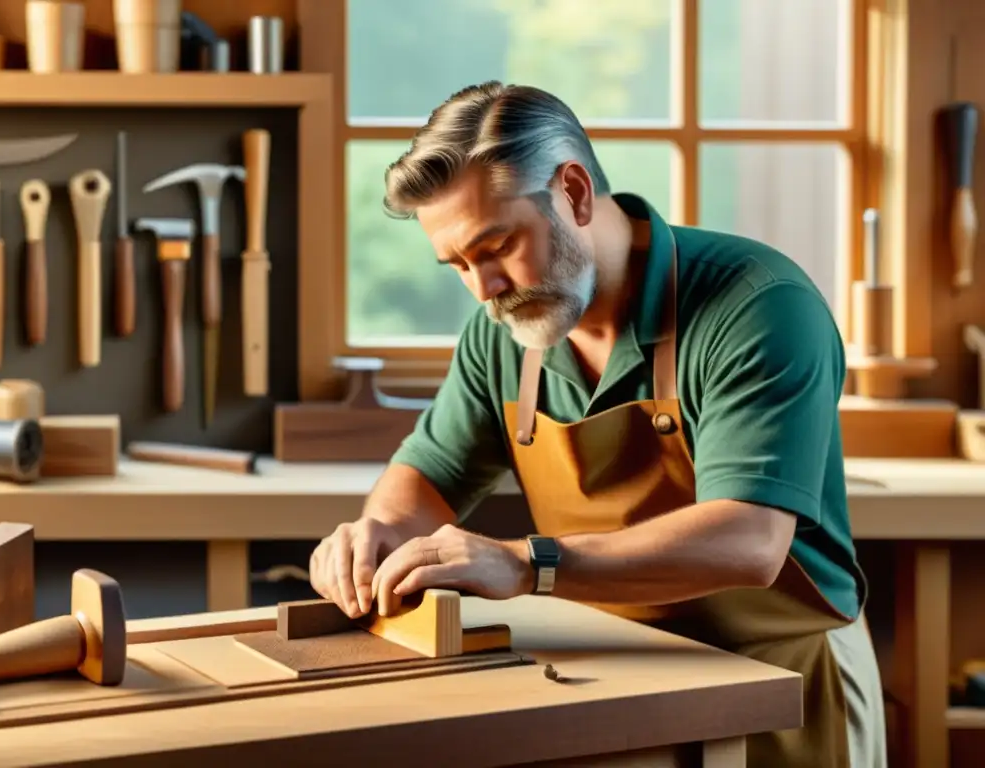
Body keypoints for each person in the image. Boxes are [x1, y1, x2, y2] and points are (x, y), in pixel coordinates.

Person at [309, 80, 887, 768]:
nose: (484, 288)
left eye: (497, 245)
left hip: (785, 691)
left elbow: (749, 542)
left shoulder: (756, 305)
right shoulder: (507, 331)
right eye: (459, 264)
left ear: (575, 193)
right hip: (610, 682)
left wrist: (527, 564)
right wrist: (374, 542)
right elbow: (426, 481)